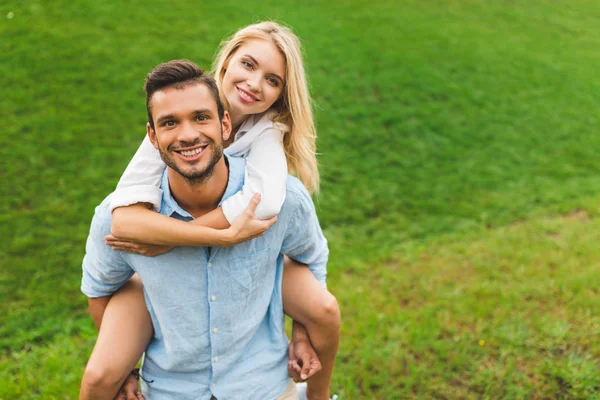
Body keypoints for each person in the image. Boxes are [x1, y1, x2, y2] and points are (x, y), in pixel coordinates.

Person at [94, 21, 339, 400]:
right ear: (224, 65)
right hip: (188, 272)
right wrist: (204, 236)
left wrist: (175, 239)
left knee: (322, 307)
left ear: (280, 96)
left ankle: (319, 395)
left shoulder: (268, 130)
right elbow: (122, 217)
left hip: (252, 255)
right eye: (248, 65)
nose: (256, 83)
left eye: (273, 81)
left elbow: (267, 204)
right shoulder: (180, 112)